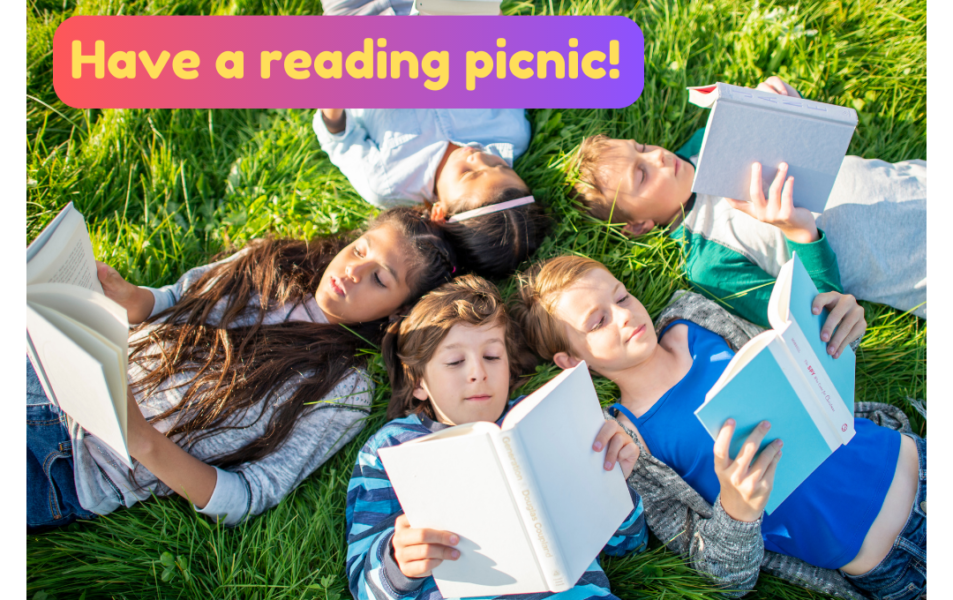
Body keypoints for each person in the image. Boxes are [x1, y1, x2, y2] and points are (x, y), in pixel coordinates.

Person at [512, 255, 925, 600]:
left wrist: (838, 332)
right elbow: (725, 577)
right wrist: (737, 507)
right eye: (598, 321)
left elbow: (805, 371)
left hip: (918, 465)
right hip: (892, 565)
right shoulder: (629, 450)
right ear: (571, 361)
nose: (625, 314)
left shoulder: (694, 318)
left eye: (622, 295)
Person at [27, 207, 458, 532]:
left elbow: (248, 495)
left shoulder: (343, 389)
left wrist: (140, 438)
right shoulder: (271, 259)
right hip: (49, 368)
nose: (352, 271)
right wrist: (134, 299)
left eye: (379, 279)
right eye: (360, 250)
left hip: (71, 459)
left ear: (399, 309)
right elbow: (178, 297)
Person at [345, 274, 648, 600]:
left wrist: (613, 486)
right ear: (419, 382)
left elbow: (629, 545)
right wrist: (398, 562)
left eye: (492, 356)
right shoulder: (391, 447)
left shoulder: (546, 417)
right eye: (455, 361)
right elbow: (365, 586)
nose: (478, 372)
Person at [571, 76, 927, 324]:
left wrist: (781, 107)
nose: (658, 157)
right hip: (914, 263)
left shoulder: (706, 142)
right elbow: (813, 317)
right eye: (642, 175)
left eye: (643, 148)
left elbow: (803, 142)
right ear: (638, 225)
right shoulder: (709, 263)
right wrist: (800, 232)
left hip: (917, 179)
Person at [314, 108, 548, 277]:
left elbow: (339, 139)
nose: (478, 157)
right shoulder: (510, 133)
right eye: (501, 166)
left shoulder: (387, 182)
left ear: (440, 212)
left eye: (468, 173)